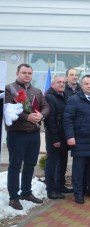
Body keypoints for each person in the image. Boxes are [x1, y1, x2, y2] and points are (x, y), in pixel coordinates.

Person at [5, 64, 50, 210]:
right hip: (17, 133)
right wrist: (27, 117)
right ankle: (14, 197)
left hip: (34, 133)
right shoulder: (9, 89)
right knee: (15, 165)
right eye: (24, 73)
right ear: (17, 73)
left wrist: (40, 115)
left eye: (30, 73)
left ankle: (26, 192)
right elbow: (7, 109)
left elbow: (46, 106)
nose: (27, 75)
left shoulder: (36, 90)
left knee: (30, 164)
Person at [63, 75, 90, 204]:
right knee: (79, 170)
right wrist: (70, 136)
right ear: (81, 85)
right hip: (80, 140)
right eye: (86, 84)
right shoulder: (74, 100)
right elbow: (68, 119)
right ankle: (78, 193)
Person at [44, 75, 71, 200]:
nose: (61, 84)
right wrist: (55, 139)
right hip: (54, 137)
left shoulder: (64, 96)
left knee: (62, 163)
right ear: (52, 84)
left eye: (63, 82)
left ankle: (60, 186)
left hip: (63, 135)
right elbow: (50, 120)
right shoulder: (50, 97)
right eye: (58, 82)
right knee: (53, 163)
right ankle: (51, 189)